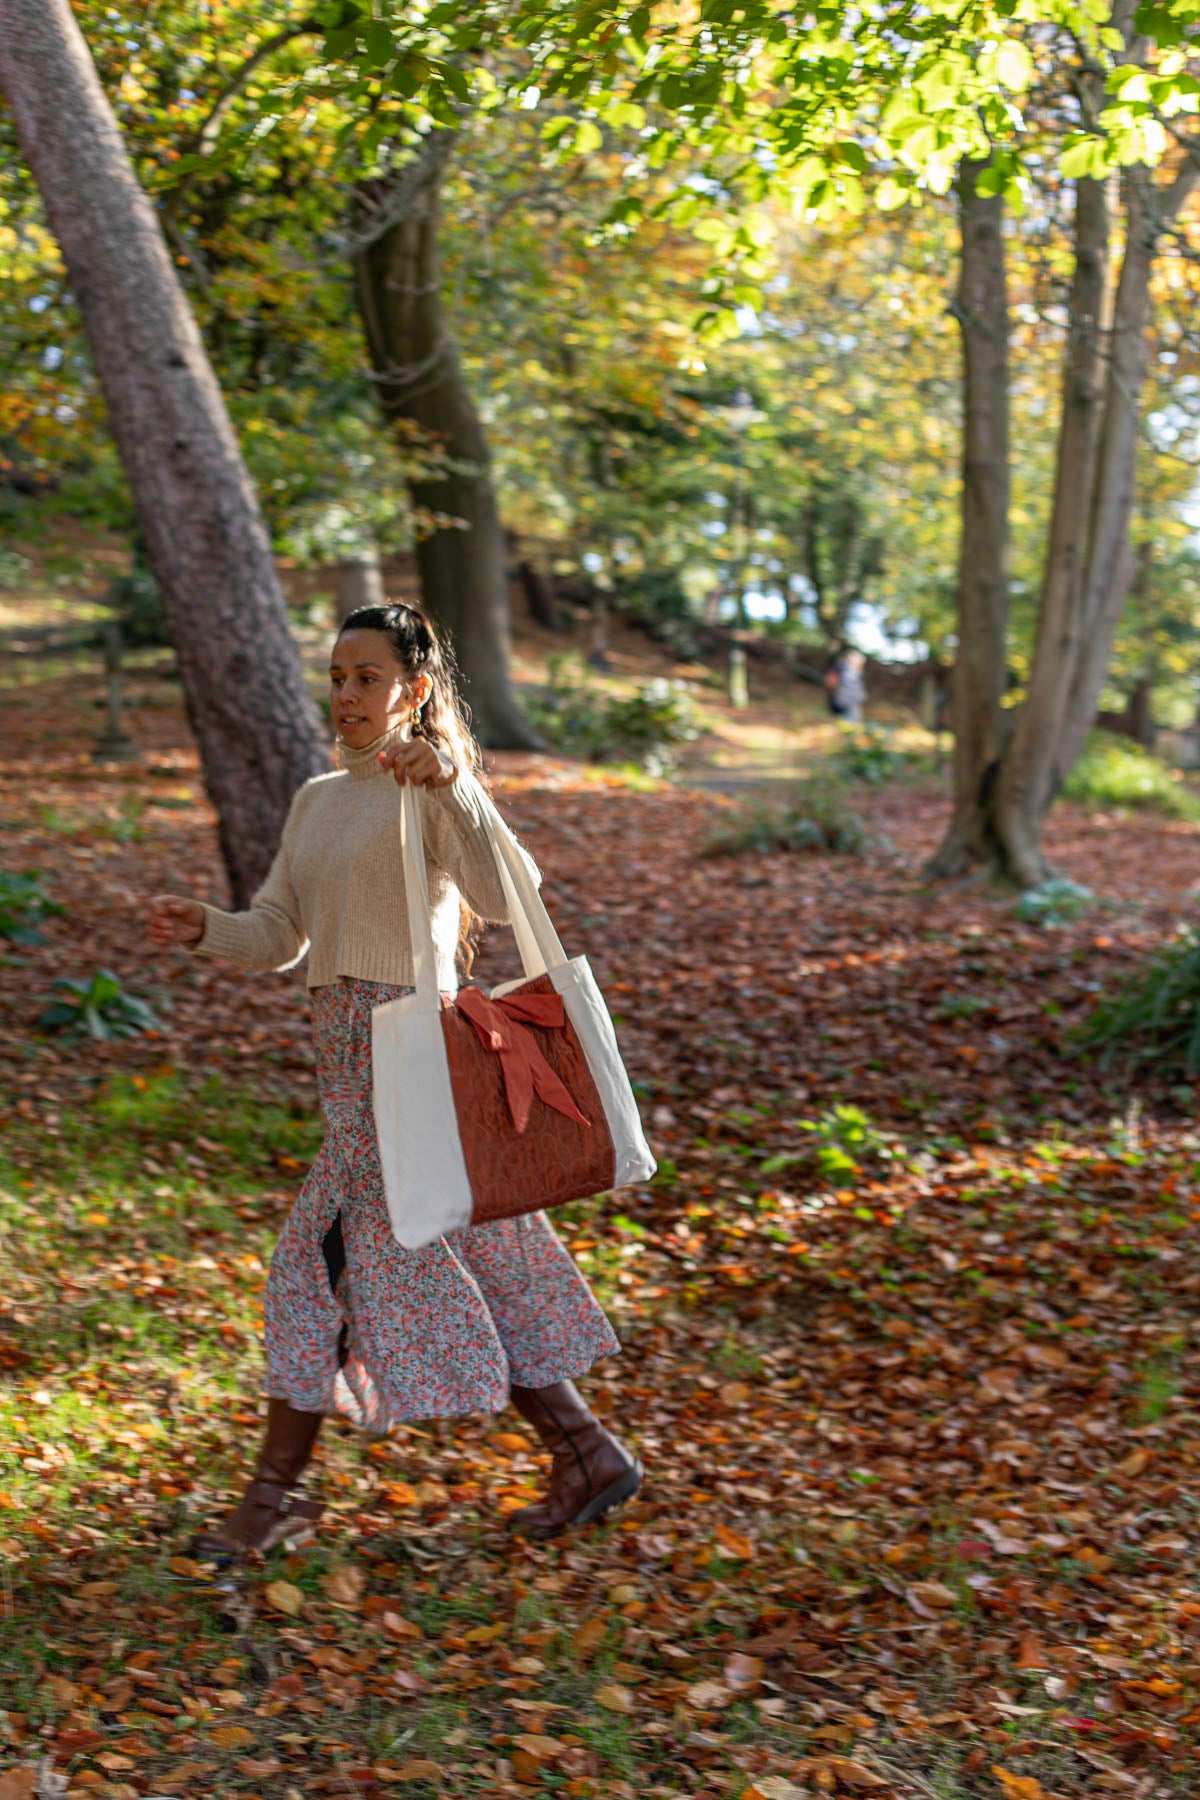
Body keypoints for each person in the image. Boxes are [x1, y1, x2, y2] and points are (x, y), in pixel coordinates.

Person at [146, 603, 641, 1561]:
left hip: (414, 1064)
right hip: (346, 1072)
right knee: (466, 1249)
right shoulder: (317, 800)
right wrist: (208, 927)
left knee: (314, 1264)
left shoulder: (431, 784)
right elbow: (280, 934)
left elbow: (508, 894)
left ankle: (276, 1497)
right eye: (337, 677)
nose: (346, 695)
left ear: (413, 690)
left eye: (367, 678)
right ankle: (586, 1452)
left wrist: (455, 785)